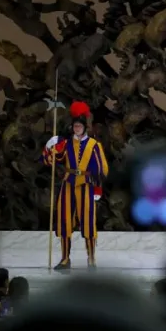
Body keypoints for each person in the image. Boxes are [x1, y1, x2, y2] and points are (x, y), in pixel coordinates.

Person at [43, 100, 109, 270]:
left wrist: (97, 186)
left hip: (86, 185)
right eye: (75, 126)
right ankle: (65, 259)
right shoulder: (66, 143)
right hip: (68, 184)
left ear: (85, 127)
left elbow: (101, 168)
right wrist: (50, 147)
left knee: (88, 222)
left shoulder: (94, 145)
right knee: (64, 221)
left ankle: (91, 259)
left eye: (79, 126)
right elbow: (52, 160)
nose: (77, 128)